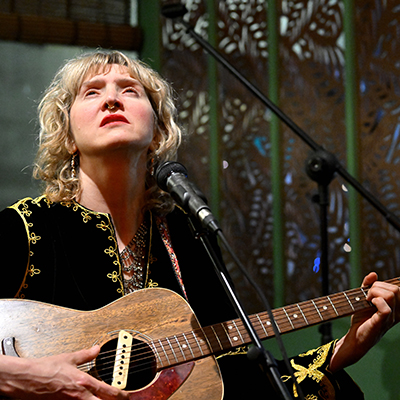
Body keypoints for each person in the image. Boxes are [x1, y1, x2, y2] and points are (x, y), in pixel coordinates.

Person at [0, 50, 398, 400]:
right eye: (92, 92)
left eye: (130, 90)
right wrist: (30, 376)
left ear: (158, 131)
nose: (111, 99)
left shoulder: (185, 234)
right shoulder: (25, 227)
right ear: (68, 135)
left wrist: (344, 348)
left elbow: (232, 371)